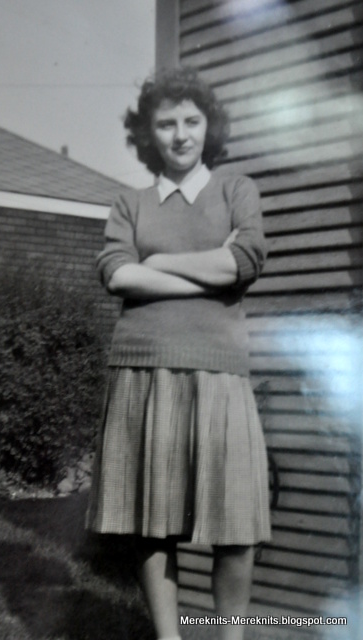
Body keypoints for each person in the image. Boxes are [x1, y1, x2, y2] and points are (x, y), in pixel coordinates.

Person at [86, 67, 271, 640]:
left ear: (209, 126)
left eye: (192, 121)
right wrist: (210, 274)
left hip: (220, 372)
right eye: (166, 124)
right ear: (149, 134)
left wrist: (159, 264)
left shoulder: (236, 191)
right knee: (152, 524)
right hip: (144, 371)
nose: (181, 134)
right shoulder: (131, 203)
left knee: (236, 526)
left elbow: (244, 260)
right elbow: (117, 275)